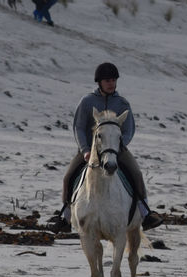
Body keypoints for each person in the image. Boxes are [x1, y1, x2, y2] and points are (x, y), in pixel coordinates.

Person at [55, 62, 163, 231]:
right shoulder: (87, 101)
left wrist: (118, 146)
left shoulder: (122, 103)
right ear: (99, 82)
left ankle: (146, 214)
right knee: (68, 177)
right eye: (107, 81)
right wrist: (84, 150)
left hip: (116, 150)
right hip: (90, 150)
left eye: (113, 80)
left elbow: (129, 130)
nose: (111, 83)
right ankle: (65, 217)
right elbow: (79, 127)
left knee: (136, 173)